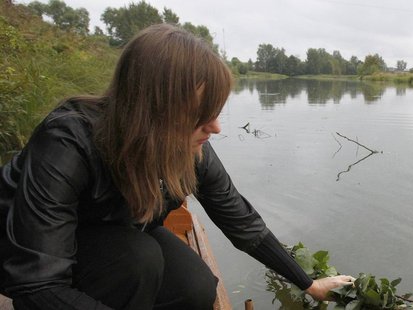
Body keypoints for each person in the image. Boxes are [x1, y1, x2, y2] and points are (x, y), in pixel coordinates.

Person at [0, 24, 353, 309]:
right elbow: (37, 282)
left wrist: (308, 284)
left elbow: (241, 221)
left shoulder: (188, 148)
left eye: (215, 113)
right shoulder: (68, 140)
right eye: (201, 115)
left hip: (114, 231)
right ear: (151, 110)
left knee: (196, 287)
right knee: (138, 260)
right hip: (33, 252)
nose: (214, 127)